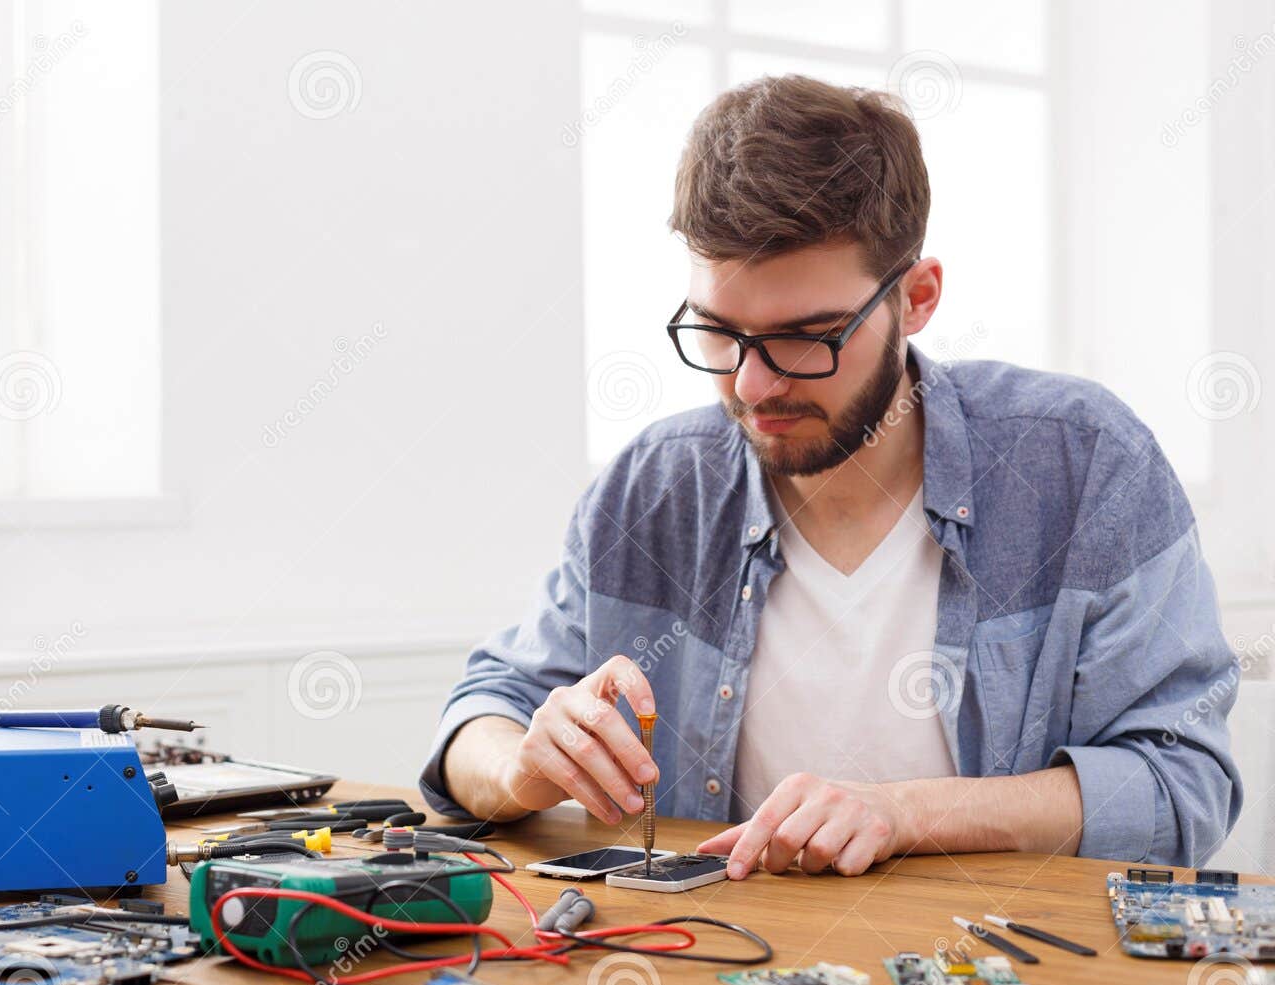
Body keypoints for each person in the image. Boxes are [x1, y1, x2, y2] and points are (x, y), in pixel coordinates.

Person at [418, 75, 1240, 877]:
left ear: (917, 298)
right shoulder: (652, 486)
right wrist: (523, 766)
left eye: (807, 337)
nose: (752, 386)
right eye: (718, 333)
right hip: (717, 975)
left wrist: (906, 813)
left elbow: (1183, 787)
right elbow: (480, 715)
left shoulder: (1084, 462)